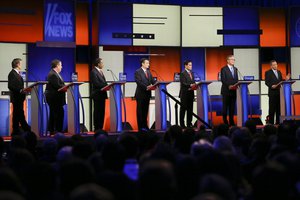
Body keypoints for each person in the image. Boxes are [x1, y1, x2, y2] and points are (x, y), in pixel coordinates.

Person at [8, 58, 31, 134]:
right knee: (18, 114)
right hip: (16, 98)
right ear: (17, 64)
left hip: (19, 98)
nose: (21, 65)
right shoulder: (12, 74)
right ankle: (25, 129)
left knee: (18, 114)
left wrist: (23, 90)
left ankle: (18, 130)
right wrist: (20, 90)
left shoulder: (17, 74)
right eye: (20, 63)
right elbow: (10, 86)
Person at [265, 60, 290, 124]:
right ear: (271, 66)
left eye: (276, 64)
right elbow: (266, 82)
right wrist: (271, 86)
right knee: (272, 110)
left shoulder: (279, 72)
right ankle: (271, 124)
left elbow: (280, 81)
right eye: (274, 65)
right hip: (272, 93)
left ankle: (278, 123)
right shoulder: (268, 72)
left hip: (279, 93)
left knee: (278, 109)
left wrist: (286, 79)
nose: (276, 66)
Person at [134, 58, 156, 130]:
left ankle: (145, 126)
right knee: (140, 111)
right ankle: (140, 127)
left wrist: (157, 84)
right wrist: (146, 87)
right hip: (140, 94)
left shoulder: (149, 72)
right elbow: (138, 82)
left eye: (148, 63)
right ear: (142, 64)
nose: (148, 64)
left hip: (147, 94)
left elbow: (152, 81)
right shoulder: (138, 71)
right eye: (147, 63)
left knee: (145, 111)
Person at [45, 59, 65, 134]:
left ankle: (54, 130)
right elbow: (57, 86)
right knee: (57, 113)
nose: (61, 67)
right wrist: (65, 87)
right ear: (57, 65)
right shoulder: (52, 74)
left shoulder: (55, 73)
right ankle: (57, 130)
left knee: (55, 114)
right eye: (61, 65)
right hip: (54, 98)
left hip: (57, 98)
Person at [90, 58, 108, 131]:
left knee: (102, 111)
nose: (103, 64)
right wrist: (105, 86)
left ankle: (101, 127)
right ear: (98, 64)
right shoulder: (93, 72)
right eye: (102, 63)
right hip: (97, 95)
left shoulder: (101, 71)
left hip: (102, 94)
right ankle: (97, 127)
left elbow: (104, 82)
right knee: (97, 111)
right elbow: (96, 83)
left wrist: (107, 86)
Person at [220, 55, 238, 126]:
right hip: (226, 91)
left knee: (232, 108)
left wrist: (236, 85)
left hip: (234, 91)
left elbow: (236, 79)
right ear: (227, 60)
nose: (233, 61)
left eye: (234, 59)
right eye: (232, 59)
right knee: (225, 107)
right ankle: (225, 121)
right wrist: (229, 85)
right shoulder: (224, 69)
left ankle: (231, 121)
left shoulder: (235, 69)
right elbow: (223, 80)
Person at [179, 60, 196, 128]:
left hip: (191, 94)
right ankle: (182, 125)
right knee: (183, 110)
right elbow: (183, 83)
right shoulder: (182, 73)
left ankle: (189, 124)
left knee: (190, 110)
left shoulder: (192, 73)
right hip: (184, 94)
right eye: (189, 65)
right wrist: (191, 85)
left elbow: (193, 81)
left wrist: (195, 84)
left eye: (191, 65)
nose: (191, 66)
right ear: (185, 66)